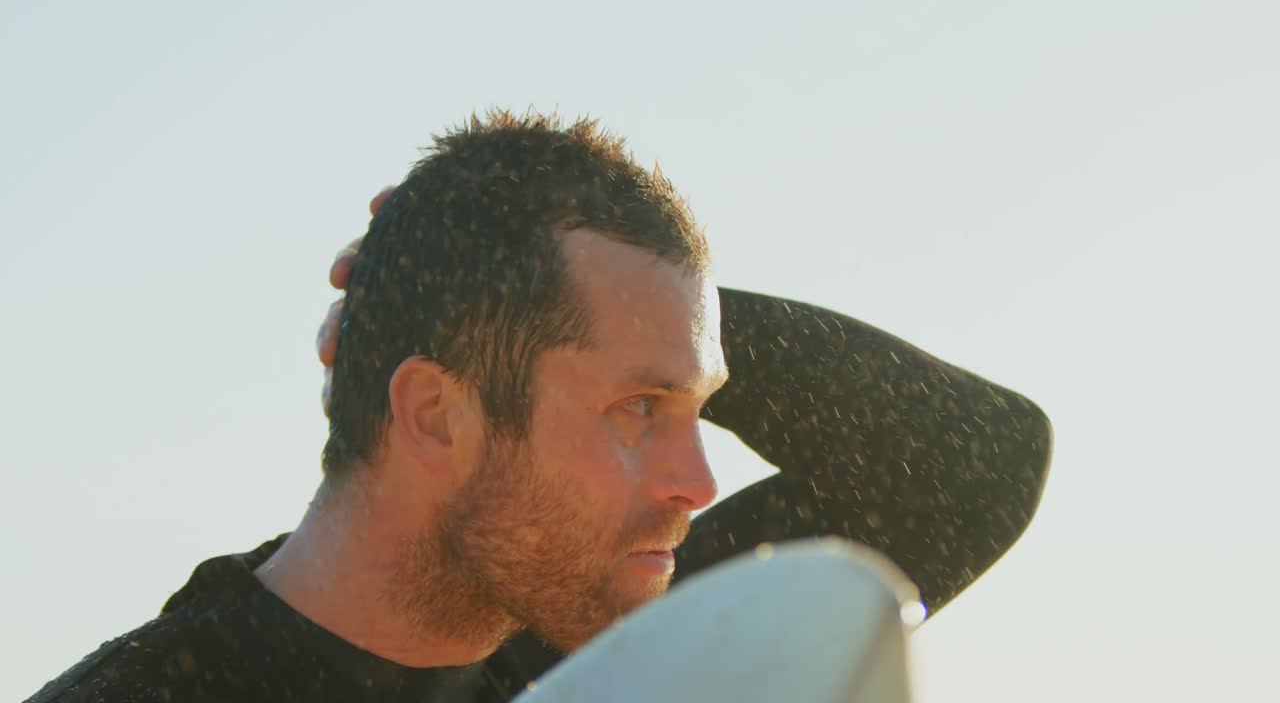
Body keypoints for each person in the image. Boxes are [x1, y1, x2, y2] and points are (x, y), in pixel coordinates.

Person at [27, 112, 1052, 702]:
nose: (697, 481)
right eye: (638, 409)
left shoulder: (611, 649)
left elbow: (974, 461)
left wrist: (508, 296)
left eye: (699, 406)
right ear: (434, 415)